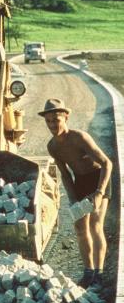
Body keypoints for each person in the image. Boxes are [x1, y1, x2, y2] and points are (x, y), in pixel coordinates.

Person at [38, 98, 112, 288]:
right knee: (80, 228)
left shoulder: (80, 137)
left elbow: (107, 163)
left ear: (65, 117)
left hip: (98, 179)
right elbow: (65, 175)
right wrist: (72, 199)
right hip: (80, 183)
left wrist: (99, 192)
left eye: (56, 120)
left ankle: (99, 272)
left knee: (95, 223)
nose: (53, 125)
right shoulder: (52, 146)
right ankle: (88, 272)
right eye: (49, 121)